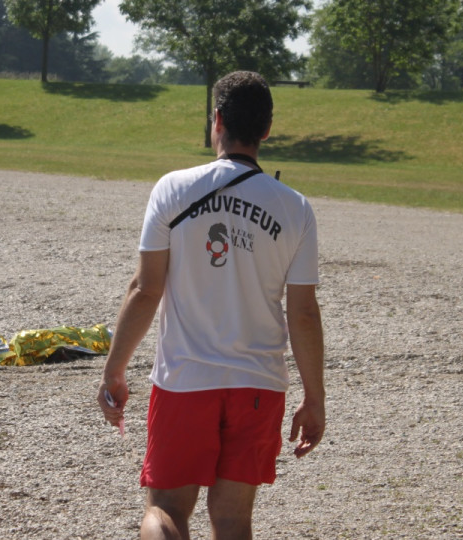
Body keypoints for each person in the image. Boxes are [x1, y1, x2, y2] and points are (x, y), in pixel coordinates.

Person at [97, 71, 325, 540]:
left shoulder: (172, 189)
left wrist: (114, 370)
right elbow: (302, 312)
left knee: (164, 511)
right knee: (233, 521)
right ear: (266, 129)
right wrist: (314, 398)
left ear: (216, 120)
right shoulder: (296, 208)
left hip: (185, 380)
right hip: (258, 384)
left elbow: (146, 289)